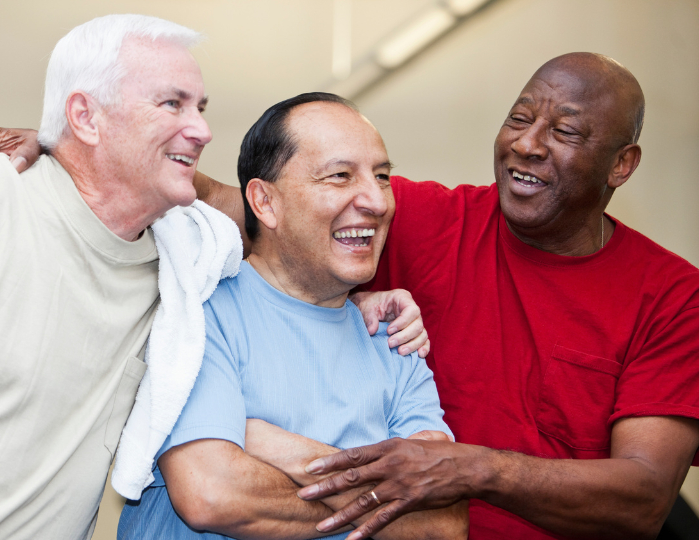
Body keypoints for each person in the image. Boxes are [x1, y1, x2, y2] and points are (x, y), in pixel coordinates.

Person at [0, 53, 699, 539]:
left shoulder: (672, 295)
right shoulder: (415, 229)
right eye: (519, 118)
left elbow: (639, 500)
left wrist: (466, 472)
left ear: (622, 165)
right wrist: (72, 151)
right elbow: (237, 200)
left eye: (565, 131)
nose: (529, 143)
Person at [0, 14, 428, 540]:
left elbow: (294, 223)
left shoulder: (182, 246)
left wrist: (370, 294)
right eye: (171, 104)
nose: (200, 130)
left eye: (199, 106)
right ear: (86, 117)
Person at [115, 92, 467, 539]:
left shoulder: (394, 337)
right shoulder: (199, 311)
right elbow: (213, 495)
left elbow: (444, 524)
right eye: (340, 176)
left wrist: (268, 443)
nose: (377, 202)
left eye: (381, 177)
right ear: (264, 202)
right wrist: (385, 501)